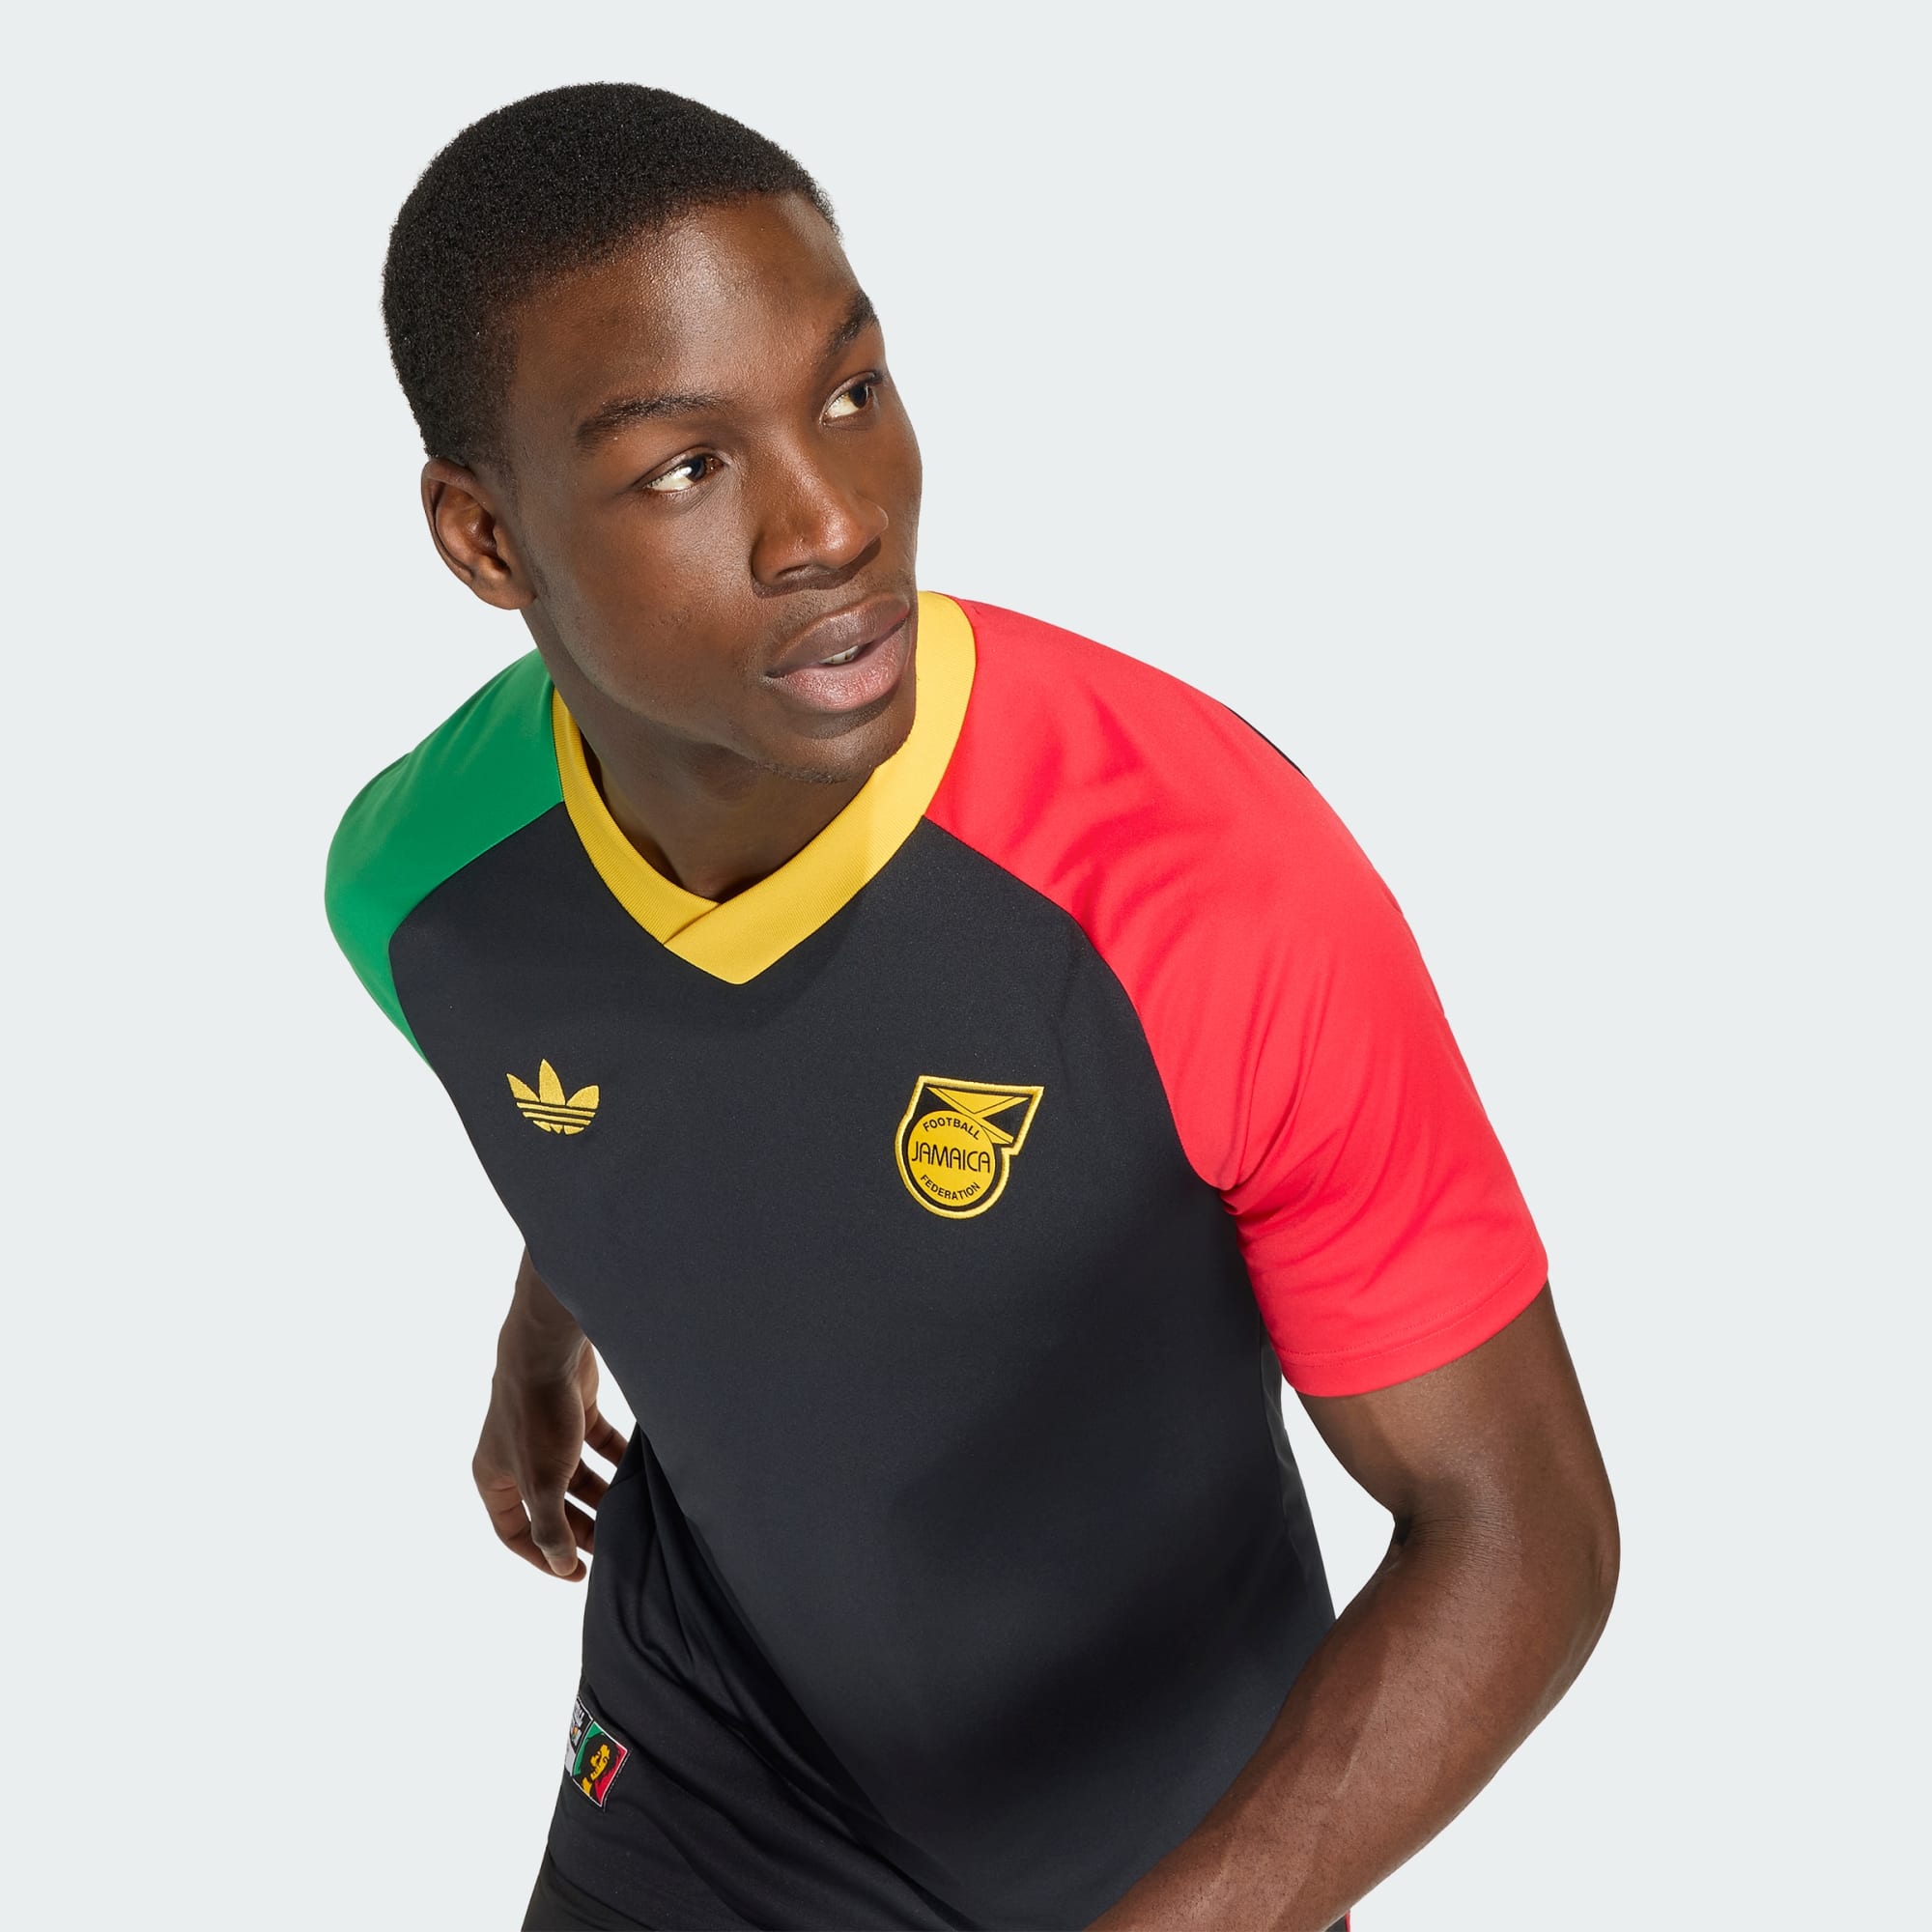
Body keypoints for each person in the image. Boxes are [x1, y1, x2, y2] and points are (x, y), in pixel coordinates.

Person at [325, 82, 1618, 1932]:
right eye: (687, 467)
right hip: (708, 1764)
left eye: (851, 392)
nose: (832, 522)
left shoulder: (1207, 889)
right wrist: (551, 1313)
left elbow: (1521, 1533)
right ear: (486, 542)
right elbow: (618, 1064)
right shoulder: (423, 883)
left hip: (1180, 1837)